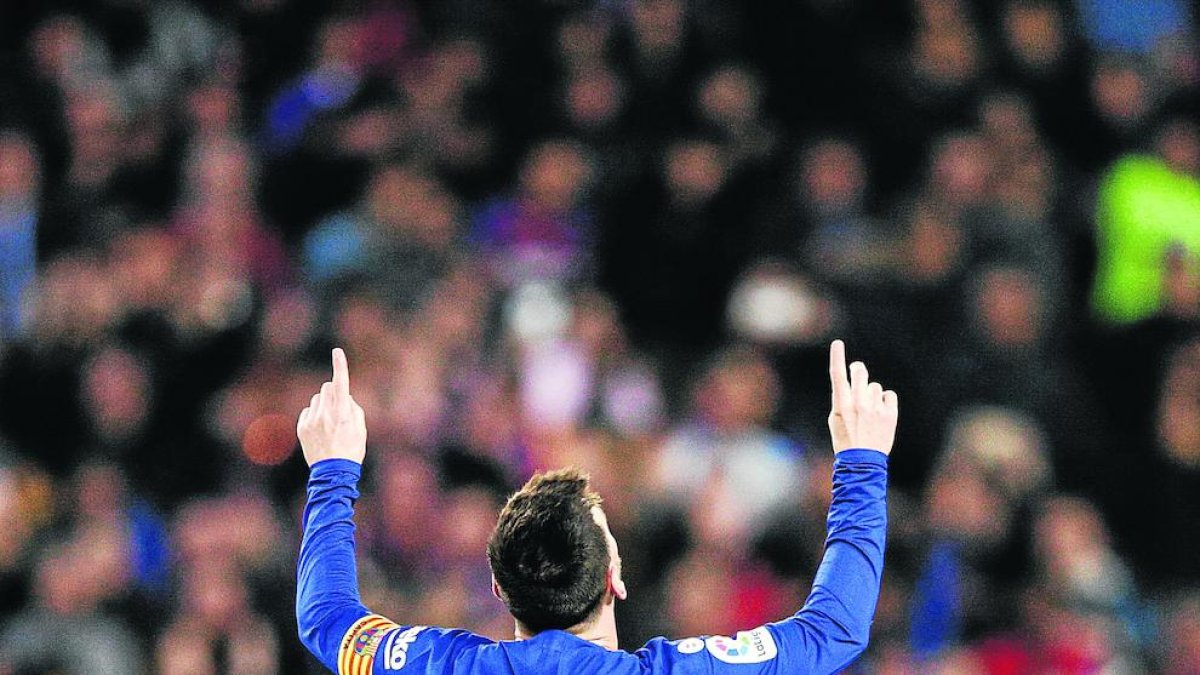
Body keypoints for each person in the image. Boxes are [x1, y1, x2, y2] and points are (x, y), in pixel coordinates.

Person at [296, 340, 897, 674]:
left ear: (500, 589)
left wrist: (333, 471)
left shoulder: (444, 666)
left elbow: (326, 619)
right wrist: (861, 464)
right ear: (615, 578)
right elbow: (834, 630)